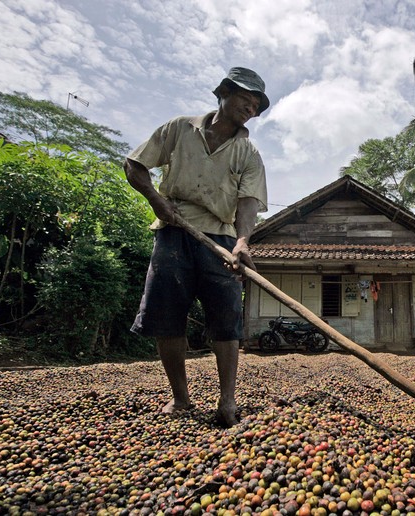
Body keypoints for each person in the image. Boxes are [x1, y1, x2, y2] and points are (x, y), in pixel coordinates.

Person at [123, 67, 270, 427]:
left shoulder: (248, 153)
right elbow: (134, 165)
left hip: (219, 237)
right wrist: (157, 201)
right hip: (173, 230)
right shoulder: (179, 129)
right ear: (222, 92)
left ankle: (227, 400)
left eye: (256, 105)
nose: (250, 108)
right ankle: (181, 399)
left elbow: (248, 202)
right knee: (167, 315)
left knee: (226, 318)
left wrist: (242, 241)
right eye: (245, 99)